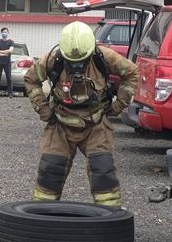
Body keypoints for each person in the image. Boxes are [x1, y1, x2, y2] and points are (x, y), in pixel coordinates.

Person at [24, 21, 138, 208]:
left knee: (103, 171)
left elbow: (131, 72)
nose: (77, 65)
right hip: (61, 124)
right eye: (72, 61)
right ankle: (41, 218)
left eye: (81, 61)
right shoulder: (54, 58)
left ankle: (110, 218)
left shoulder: (103, 56)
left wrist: (119, 104)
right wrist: (43, 109)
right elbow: (31, 78)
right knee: (50, 171)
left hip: (95, 124)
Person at [0, 27, 14, 98]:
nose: (4, 33)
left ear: (8, 33)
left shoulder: (11, 42)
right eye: (3, 32)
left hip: (7, 62)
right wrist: (5, 53)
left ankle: (10, 94)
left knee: (9, 78)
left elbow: (10, 51)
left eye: (5, 32)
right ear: (1, 33)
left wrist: (0, 51)